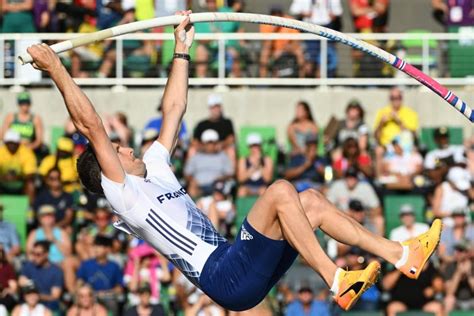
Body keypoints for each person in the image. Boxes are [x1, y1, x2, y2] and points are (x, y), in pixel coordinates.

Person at [26, 12, 442, 312]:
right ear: (106, 168)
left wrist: (181, 51)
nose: (128, 148)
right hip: (223, 276)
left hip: (234, 263)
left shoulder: (154, 166)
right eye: (118, 151)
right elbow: (90, 124)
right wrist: (56, 68)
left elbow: (174, 108)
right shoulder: (124, 193)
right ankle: (337, 280)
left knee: (310, 201)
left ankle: (401, 255)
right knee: (280, 191)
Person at [326, 167, 384, 236]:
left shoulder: (365, 187)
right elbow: (327, 206)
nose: (351, 180)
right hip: (342, 217)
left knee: (379, 220)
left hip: (363, 218)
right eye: (348, 177)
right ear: (345, 178)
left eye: (353, 177)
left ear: (357, 178)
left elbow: (377, 208)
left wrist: (363, 214)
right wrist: (345, 214)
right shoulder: (337, 186)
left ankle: (379, 244)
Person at [76, 236, 123, 315]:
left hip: (107, 298)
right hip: (88, 297)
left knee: (112, 304)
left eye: (99, 246)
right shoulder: (86, 264)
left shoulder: (114, 266)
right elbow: (79, 283)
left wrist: (106, 293)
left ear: (107, 249)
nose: (96, 249)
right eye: (95, 246)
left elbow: (119, 288)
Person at [184, 129, 234, 198]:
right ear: (203, 144)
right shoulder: (196, 157)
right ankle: (194, 206)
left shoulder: (223, 156)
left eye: (213, 143)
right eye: (208, 143)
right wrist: (192, 180)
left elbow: (230, 174)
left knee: (220, 187)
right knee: (192, 188)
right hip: (199, 186)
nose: (210, 146)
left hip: (217, 185)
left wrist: (221, 178)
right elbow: (187, 174)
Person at [259, 5, 305, 78]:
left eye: (278, 13)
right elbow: (266, 44)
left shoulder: (290, 21)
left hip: (287, 48)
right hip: (272, 50)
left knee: (299, 52)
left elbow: (296, 41)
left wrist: (283, 49)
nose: (276, 15)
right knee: (264, 53)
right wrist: (273, 31)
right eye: (274, 13)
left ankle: (302, 80)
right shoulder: (265, 22)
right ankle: (262, 82)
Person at [19, 241, 63, 313]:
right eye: (33, 254)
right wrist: (32, 296)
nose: (35, 257)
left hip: (48, 306)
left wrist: (38, 296)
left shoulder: (56, 271)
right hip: (29, 305)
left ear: (46, 254)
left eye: (38, 254)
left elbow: (55, 295)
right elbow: (21, 281)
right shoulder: (29, 266)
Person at [191, 94, 236, 162]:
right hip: (204, 150)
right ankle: (189, 172)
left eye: (218, 107)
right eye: (213, 107)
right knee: (192, 151)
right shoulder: (201, 124)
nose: (216, 110)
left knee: (231, 151)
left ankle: (230, 172)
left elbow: (231, 138)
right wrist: (205, 148)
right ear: (210, 108)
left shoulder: (227, 122)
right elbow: (194, 141)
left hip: (221, 150)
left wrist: (221, 145)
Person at [0, 129, 37, 201]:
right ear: (5, 143)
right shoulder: (1, 151)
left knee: (30, 185)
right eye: (9, 143)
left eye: (14, 143)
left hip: (20, 182)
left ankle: (30, 209)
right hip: (3, 181)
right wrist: (4, 177)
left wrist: (17, 177)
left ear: (18, 143)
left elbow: (30, 174)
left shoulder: (27, 153)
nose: (11, 145)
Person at [443, 241, 474, 313]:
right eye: (456, 250)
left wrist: (469, 274)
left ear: (468, 253)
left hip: (471, 300)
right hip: (457, 301)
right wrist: (458, 273)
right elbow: (449, 292)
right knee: (449, 300)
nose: (457, 253)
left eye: (461, 250)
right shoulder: (450, 266)